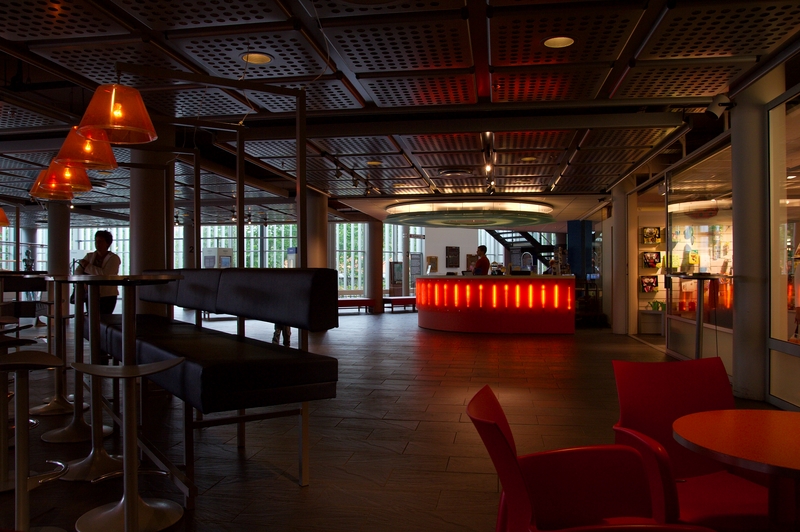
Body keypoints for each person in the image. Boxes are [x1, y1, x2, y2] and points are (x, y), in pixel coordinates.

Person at [75, 230, 121, 314]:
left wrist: (87, 266)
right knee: (91, 317)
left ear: (107, 243)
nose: (97, 243)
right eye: (96, 241)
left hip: (107, 295)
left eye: (100, 241)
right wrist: (84, 282)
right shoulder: (90, 256)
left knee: (105, 318)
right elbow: (78, 271)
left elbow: (105, 275)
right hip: (91, 293)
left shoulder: (114, 258)